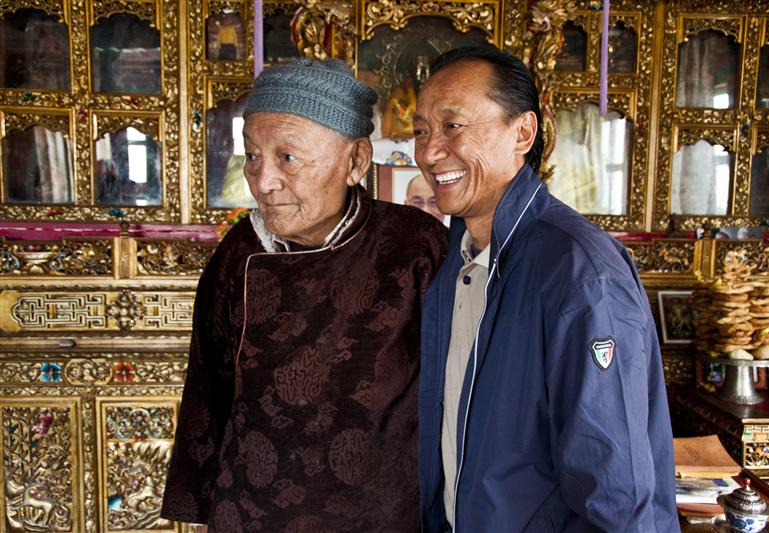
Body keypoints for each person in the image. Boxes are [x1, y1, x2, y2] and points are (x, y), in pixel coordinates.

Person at [161, 58, 448, 532]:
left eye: (287, 158)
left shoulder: (414, 246)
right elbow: (207, 389)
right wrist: (199, 507)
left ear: (355, 161)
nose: (263, 180)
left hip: (379, 515)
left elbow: (457, 392)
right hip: (251, 511)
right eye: (252, 156)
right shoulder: (240, 250)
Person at [413, 45, 679, 532]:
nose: (429, 152)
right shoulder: (456, 258)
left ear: (523, 132)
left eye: (453, 126)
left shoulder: (578, 268)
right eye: (421, 131)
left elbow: (617, 488)